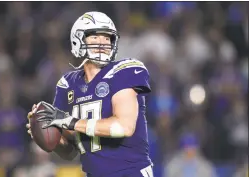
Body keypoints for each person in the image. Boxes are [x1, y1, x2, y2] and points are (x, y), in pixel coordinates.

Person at [27, 11, 154, 177]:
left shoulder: (124, 70)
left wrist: (69, 121)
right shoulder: (67, 84)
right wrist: (47, 136)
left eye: (107, 38)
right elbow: (70, 152)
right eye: (95, 37)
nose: (102, 42)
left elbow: (123, 127)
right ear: (78, 40)